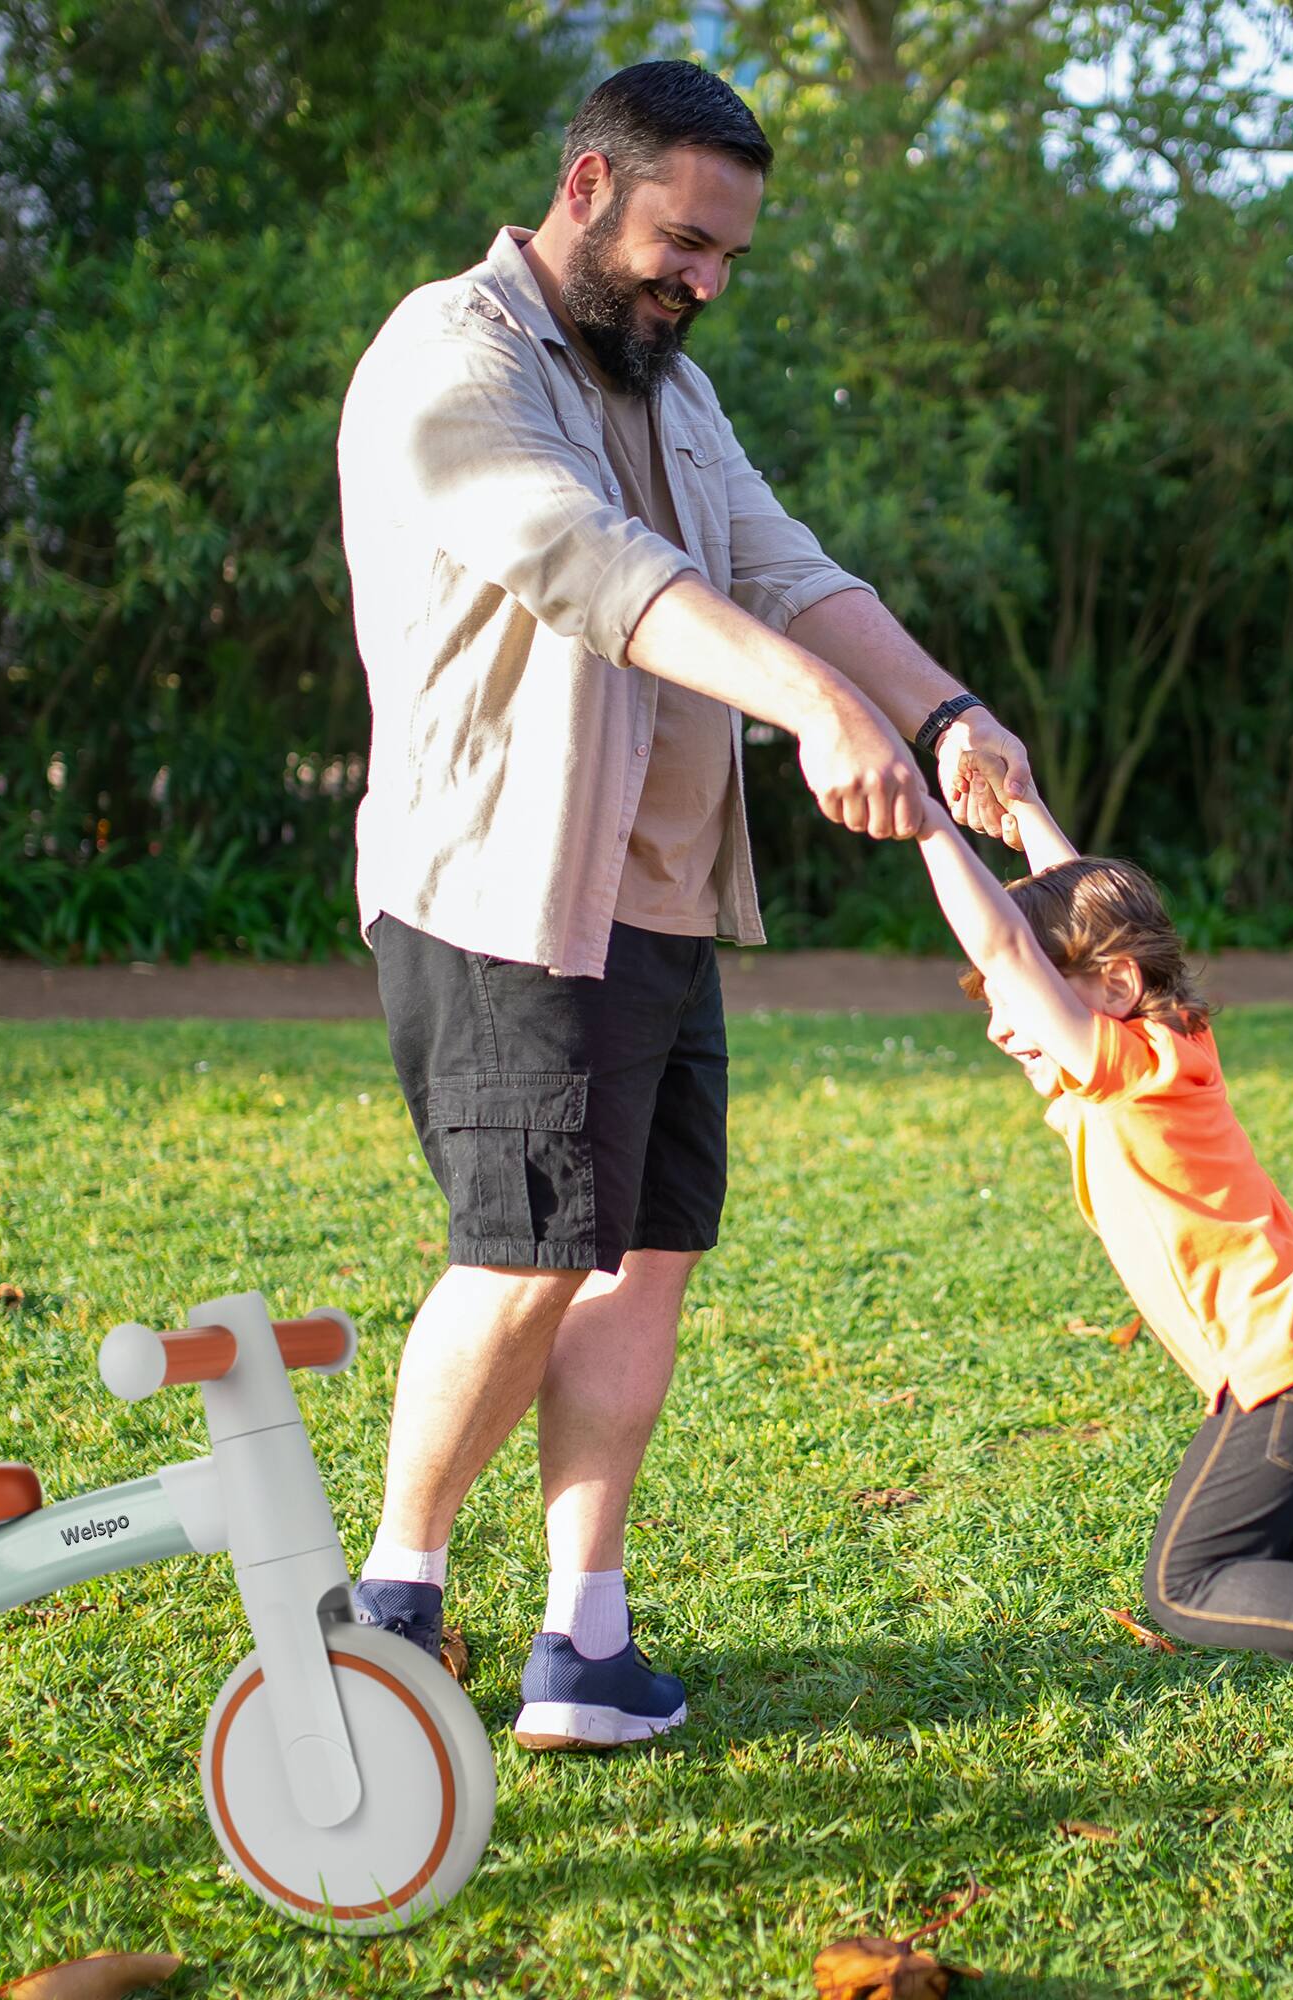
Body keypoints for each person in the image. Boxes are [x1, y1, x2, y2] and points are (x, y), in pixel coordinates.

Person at [336, 57, 1036, 1751]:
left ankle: (584, 1639)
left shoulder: (670, 385)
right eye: (684, 240)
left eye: (730, 255)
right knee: (521, 1258)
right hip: (503, 892)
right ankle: (388, 1609)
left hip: (653, 898)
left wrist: (940, 715)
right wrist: (813, 711)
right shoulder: (455, 354)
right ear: (589, 185)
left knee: (646, 1257)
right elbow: (589, 565)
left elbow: (779, 565)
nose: (706, 280)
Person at [914, 784, 1293, 1804]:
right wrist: (1023, 811)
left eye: (1016, 994)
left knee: (1182, 1587)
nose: (1001, 1020)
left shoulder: (1128, 1068)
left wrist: (922, 819)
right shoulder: (1159, 1050)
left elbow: (1019, 947)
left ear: (1109, 984)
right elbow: (1077, 914)